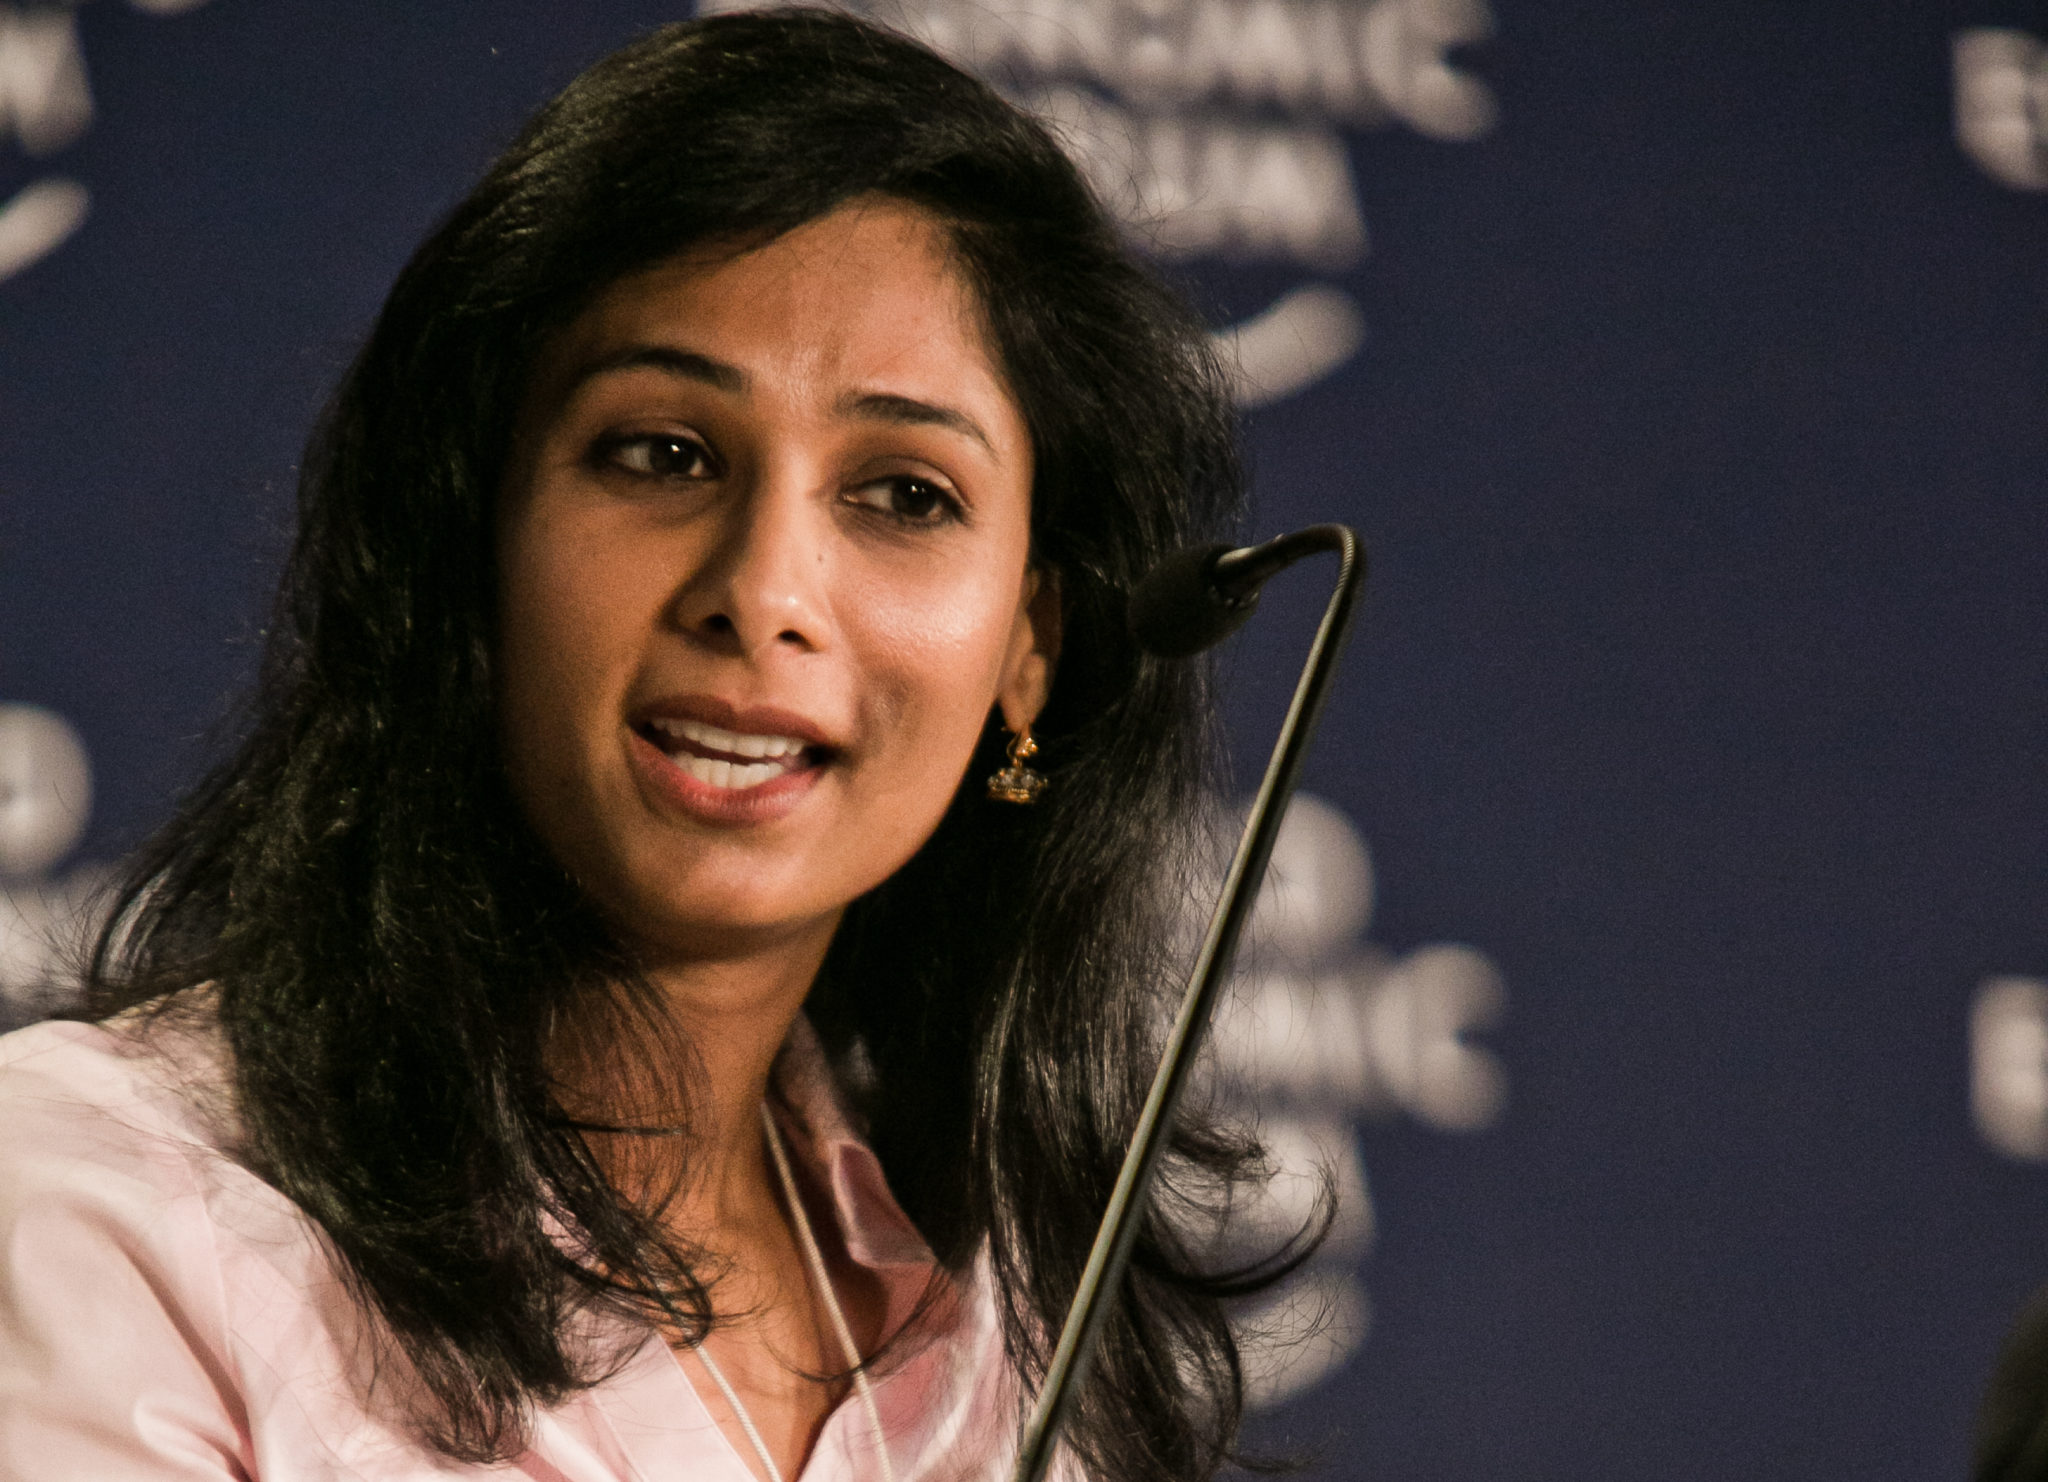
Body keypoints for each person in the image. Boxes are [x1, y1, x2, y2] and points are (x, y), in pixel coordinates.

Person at [0, 10, 1314, 1481]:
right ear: (475, 535)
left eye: (904, 494)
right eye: (664, 455)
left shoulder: (1020, 1351)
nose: (763, 591)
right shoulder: (102, 1203)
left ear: (1031, 646)